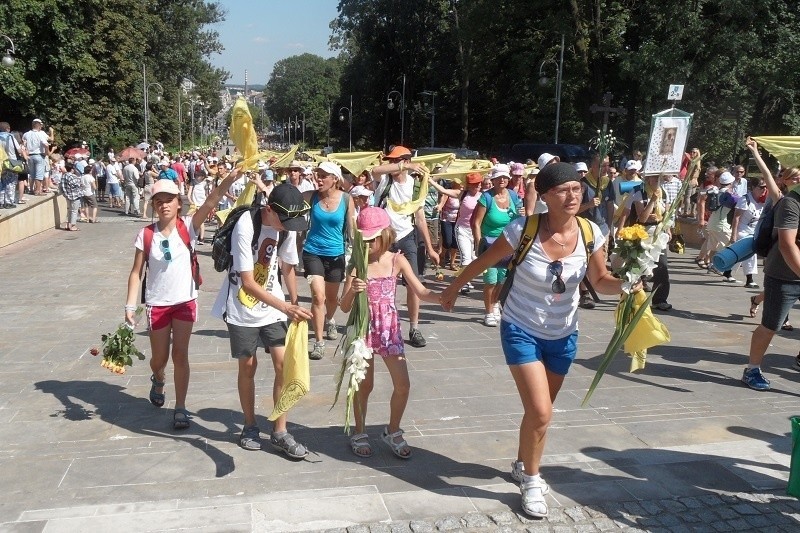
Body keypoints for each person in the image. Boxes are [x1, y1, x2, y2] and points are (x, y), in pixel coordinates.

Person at [441, 162, 638, 518]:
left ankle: (521, 462)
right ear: (545, 196)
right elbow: (484, 262)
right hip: (520, 327)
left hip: (564, 333)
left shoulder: (591, 231)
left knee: (537, 414)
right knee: (542, 411)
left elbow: (602, 280)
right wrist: (454, 286)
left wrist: (629, 283)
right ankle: (532, 479)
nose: (572, 196)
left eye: (577, 189)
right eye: (563, 190)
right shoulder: (523, 229)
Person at [124, 169, 240, 430]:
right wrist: (130, 306)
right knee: (159, 358)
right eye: (159, 201)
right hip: (157, 304)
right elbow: (135, 273)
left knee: (181, 354)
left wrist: (230, 180)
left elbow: (212, 201)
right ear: (154, 205)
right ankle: (159, 377)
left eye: (169, 200)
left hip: (185, 301)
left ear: (178, 202)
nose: (164, 205)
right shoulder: (146, 235)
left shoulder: (188, 226)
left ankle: (180, 407)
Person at [210, 182, 314, 457]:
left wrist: (294, 302)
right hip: (242, 307)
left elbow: (288, 266)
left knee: (284, 364)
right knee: (248, 367)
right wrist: (285, 306)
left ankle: (280, 430)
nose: (288, 228)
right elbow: (247, 283)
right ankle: (249, 425)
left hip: (273, 305)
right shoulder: (247, 224)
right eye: (284, 221)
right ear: (269, 210)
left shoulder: (286, 226)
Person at [339, 207, 440, 459]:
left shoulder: (397, 260)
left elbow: (420, 290)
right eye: (365, 239)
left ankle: (392, 430)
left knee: (403, 384)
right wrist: (353, 290)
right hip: (363, 330)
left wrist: (443, 299)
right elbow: (343, 305)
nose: (370, 244)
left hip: (389, 329)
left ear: (386, 235)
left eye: (374, 238)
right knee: (365, 385)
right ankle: (359, 431)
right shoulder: (357, 265)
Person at [742, 138, 800, 391]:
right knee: (771, 325)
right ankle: (752, 369)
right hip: (784, 273)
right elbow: (787, 245)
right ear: (785, 180)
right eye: (793, 177)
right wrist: (755, 152)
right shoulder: (787, 202)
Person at [371, 146, 440, 347]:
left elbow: (419, 218)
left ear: (407, 160)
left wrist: (430, 247)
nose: (392, 164)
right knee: (382, 282)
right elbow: (375, 171)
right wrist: (403, 165)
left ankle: (414, 327)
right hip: (384, 237)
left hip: (407, 236)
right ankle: (382, 324)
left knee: (413, 283)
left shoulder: (415, 185)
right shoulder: (384, 180)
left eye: (396, 161)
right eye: (391, 161)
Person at [301, 161, 354, 360]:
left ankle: (330, 319)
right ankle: (318, 342)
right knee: (318, 297)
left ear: (335, 179)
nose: (319, 179)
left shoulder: (347, 199)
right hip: (312, 251)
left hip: (336, 254)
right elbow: (288, 204)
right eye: (317, 175)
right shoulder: (310, 197)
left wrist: (359, 252)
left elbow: (351, 229)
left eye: (323, 176)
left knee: (332, 299)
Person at [472, 164, 523, 327]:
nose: (502, 180)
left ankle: (494, 305)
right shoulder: (486, 197)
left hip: (508, 244)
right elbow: (476, 223)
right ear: (493, 180)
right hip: (489, 244)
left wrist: (522, 214)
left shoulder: (514, 197)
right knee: (491, 280)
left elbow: (520, 220)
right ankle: (488, 312)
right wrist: (479, 244)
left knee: (502, 280)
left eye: (505, 177)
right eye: (498, 177)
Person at [619, 174, 673, 311]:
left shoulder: (664, 192)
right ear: (648, 178)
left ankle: (659, 299)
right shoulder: (639, 192)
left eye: (659, 178)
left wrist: (667, 228)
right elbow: (642, 218)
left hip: (658, 234)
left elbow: (666, 214)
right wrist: (652, 201)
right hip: (642, 234)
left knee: (662, 267)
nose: (657, 181)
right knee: (636, 268)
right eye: (654, 178)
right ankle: (629, 298)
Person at [22, 118, 53, 196]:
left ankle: (31, 189)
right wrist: (46, 152)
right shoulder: (40, 134)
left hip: (30, 156)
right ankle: (38, 191)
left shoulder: (26, 134)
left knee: (32, 174)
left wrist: (25, 153)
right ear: (39, 126)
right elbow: (46, 144)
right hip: (39, 155)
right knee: (39, 174)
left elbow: (23, 144)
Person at [59, 162, 84, 231]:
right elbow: (78, 185)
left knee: (69, 210)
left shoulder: (63, 176)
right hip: (74, 196)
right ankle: (73, 226)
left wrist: (65, 194)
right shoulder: (72, 176)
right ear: (72, 169)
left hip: (67, 196)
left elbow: (61, 186)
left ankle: (68, 225)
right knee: (74, 211)